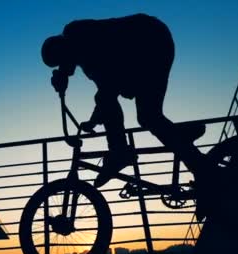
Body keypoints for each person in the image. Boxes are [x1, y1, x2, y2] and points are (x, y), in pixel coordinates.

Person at [42, 13, 209, 187]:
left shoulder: (79, 36)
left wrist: (95, 118)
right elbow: (105, 87)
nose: (65, 65)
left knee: (148, 116)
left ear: (63, 48)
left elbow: (108, 86)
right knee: (148, 116)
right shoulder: (82, 54)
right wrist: (93, 119)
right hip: (149, 42)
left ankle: (201, 168)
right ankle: (179, 139)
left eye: (61, 61)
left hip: (150, 42)